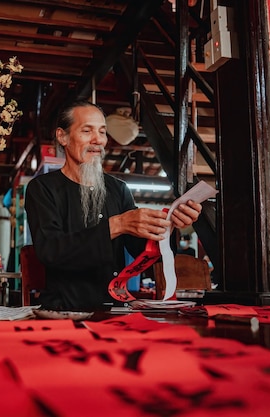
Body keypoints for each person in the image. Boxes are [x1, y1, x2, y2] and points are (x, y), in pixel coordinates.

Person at [25, 101, 202, 311]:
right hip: (65, 311)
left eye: (102, 132)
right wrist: (116, 225)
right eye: (87, 130)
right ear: (62, 136)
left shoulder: (117, 189)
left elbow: (140, 250)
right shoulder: (42, 188)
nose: (98, 140)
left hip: (116, 308)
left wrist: (168, 226)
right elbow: (50, 250)